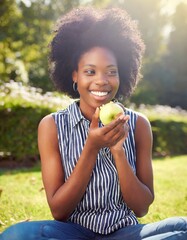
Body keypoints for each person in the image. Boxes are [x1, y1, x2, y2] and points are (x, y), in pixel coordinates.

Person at [0, 7, 186, 240]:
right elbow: (59, 210)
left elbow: (141, 208)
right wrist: (92, 147)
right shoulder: (51, 126)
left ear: (122, 74)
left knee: (184, 227)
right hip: (72, 232)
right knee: (15, 236)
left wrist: (118, 150)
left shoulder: (139, 125)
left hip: (125, 233)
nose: (101, 81)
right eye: (90, 71)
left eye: (111, 72)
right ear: (74, 74)